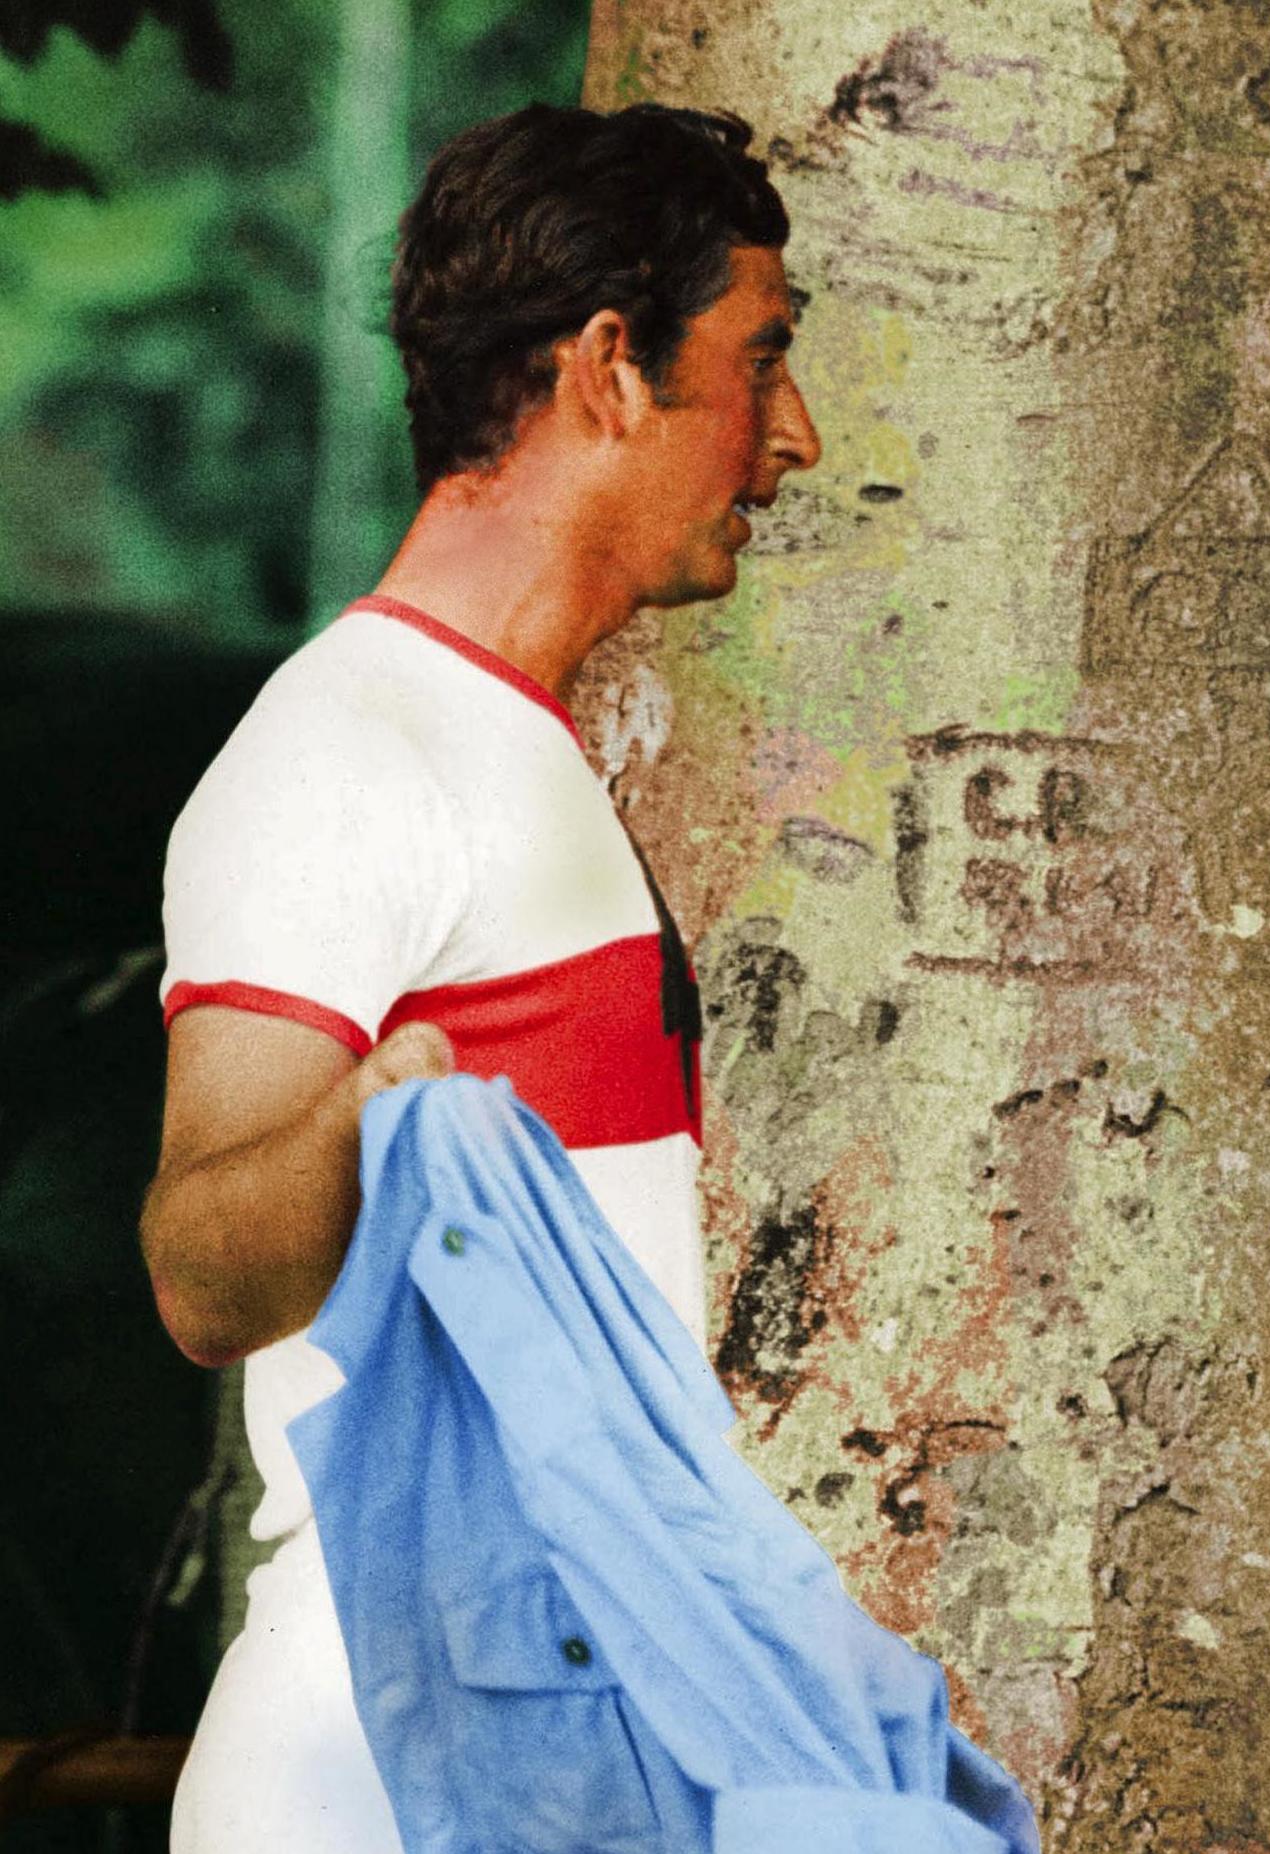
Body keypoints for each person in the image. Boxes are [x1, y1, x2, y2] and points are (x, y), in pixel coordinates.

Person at [143, 102, 819, 1850]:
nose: (793, 438)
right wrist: (362, 1127)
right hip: (379, 1762)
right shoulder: (343, 751)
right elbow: (204, 1270)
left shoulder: (505, 744)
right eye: (761, 362)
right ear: (611, 369)